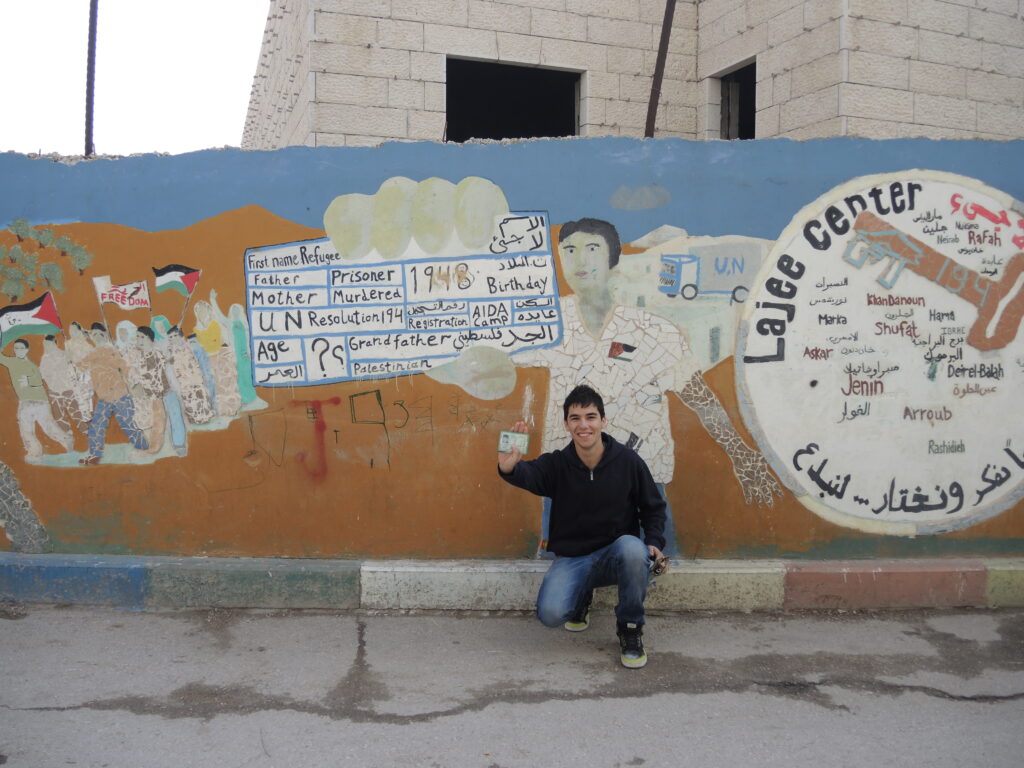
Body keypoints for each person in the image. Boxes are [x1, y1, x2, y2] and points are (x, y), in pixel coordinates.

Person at [498, 384, 667, 669]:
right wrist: (509, 467)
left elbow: (652, 506)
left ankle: (630, 628)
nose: (583, 425)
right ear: (566, 424)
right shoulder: (557, 464)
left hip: (617, 553)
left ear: (603, 421)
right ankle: (581, 596)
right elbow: (529, 473)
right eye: (575, 418)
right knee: (551, 615)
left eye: (590, 417)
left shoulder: (628, 462)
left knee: (633, 550)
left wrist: (654, 541)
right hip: (574, 558)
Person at [0, 338, 74, 461]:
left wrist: (28, 380)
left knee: (48, 427)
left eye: (21, 348)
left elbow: (39, 379)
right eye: (16, 348)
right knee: (26, 430)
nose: (18, 350)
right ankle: (35, 454)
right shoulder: (12, 362)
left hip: (40, 402)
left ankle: (66, 440)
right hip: (25, 402)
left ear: (27, 350)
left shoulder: (32, 365)